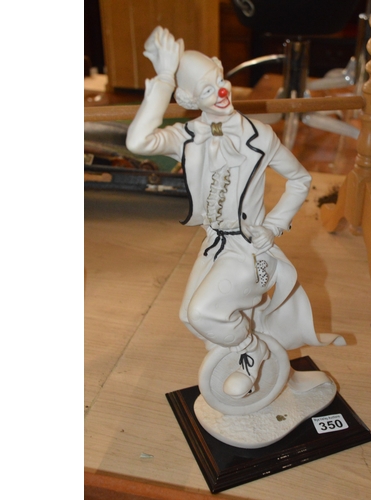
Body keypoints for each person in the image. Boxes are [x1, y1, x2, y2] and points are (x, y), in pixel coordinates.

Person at [127, 27, 339, 400]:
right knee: (190, 317)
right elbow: (138, 141)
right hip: (215, 245)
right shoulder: (188, 137)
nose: (222, 92)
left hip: (252, 251)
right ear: (190, 98)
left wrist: (272, 227)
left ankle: (251, 354)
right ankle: (245, 359)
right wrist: (163, 79)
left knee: (203, 313)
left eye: (220, 81)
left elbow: (300, 179)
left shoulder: (260, 136)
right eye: (207, 90)